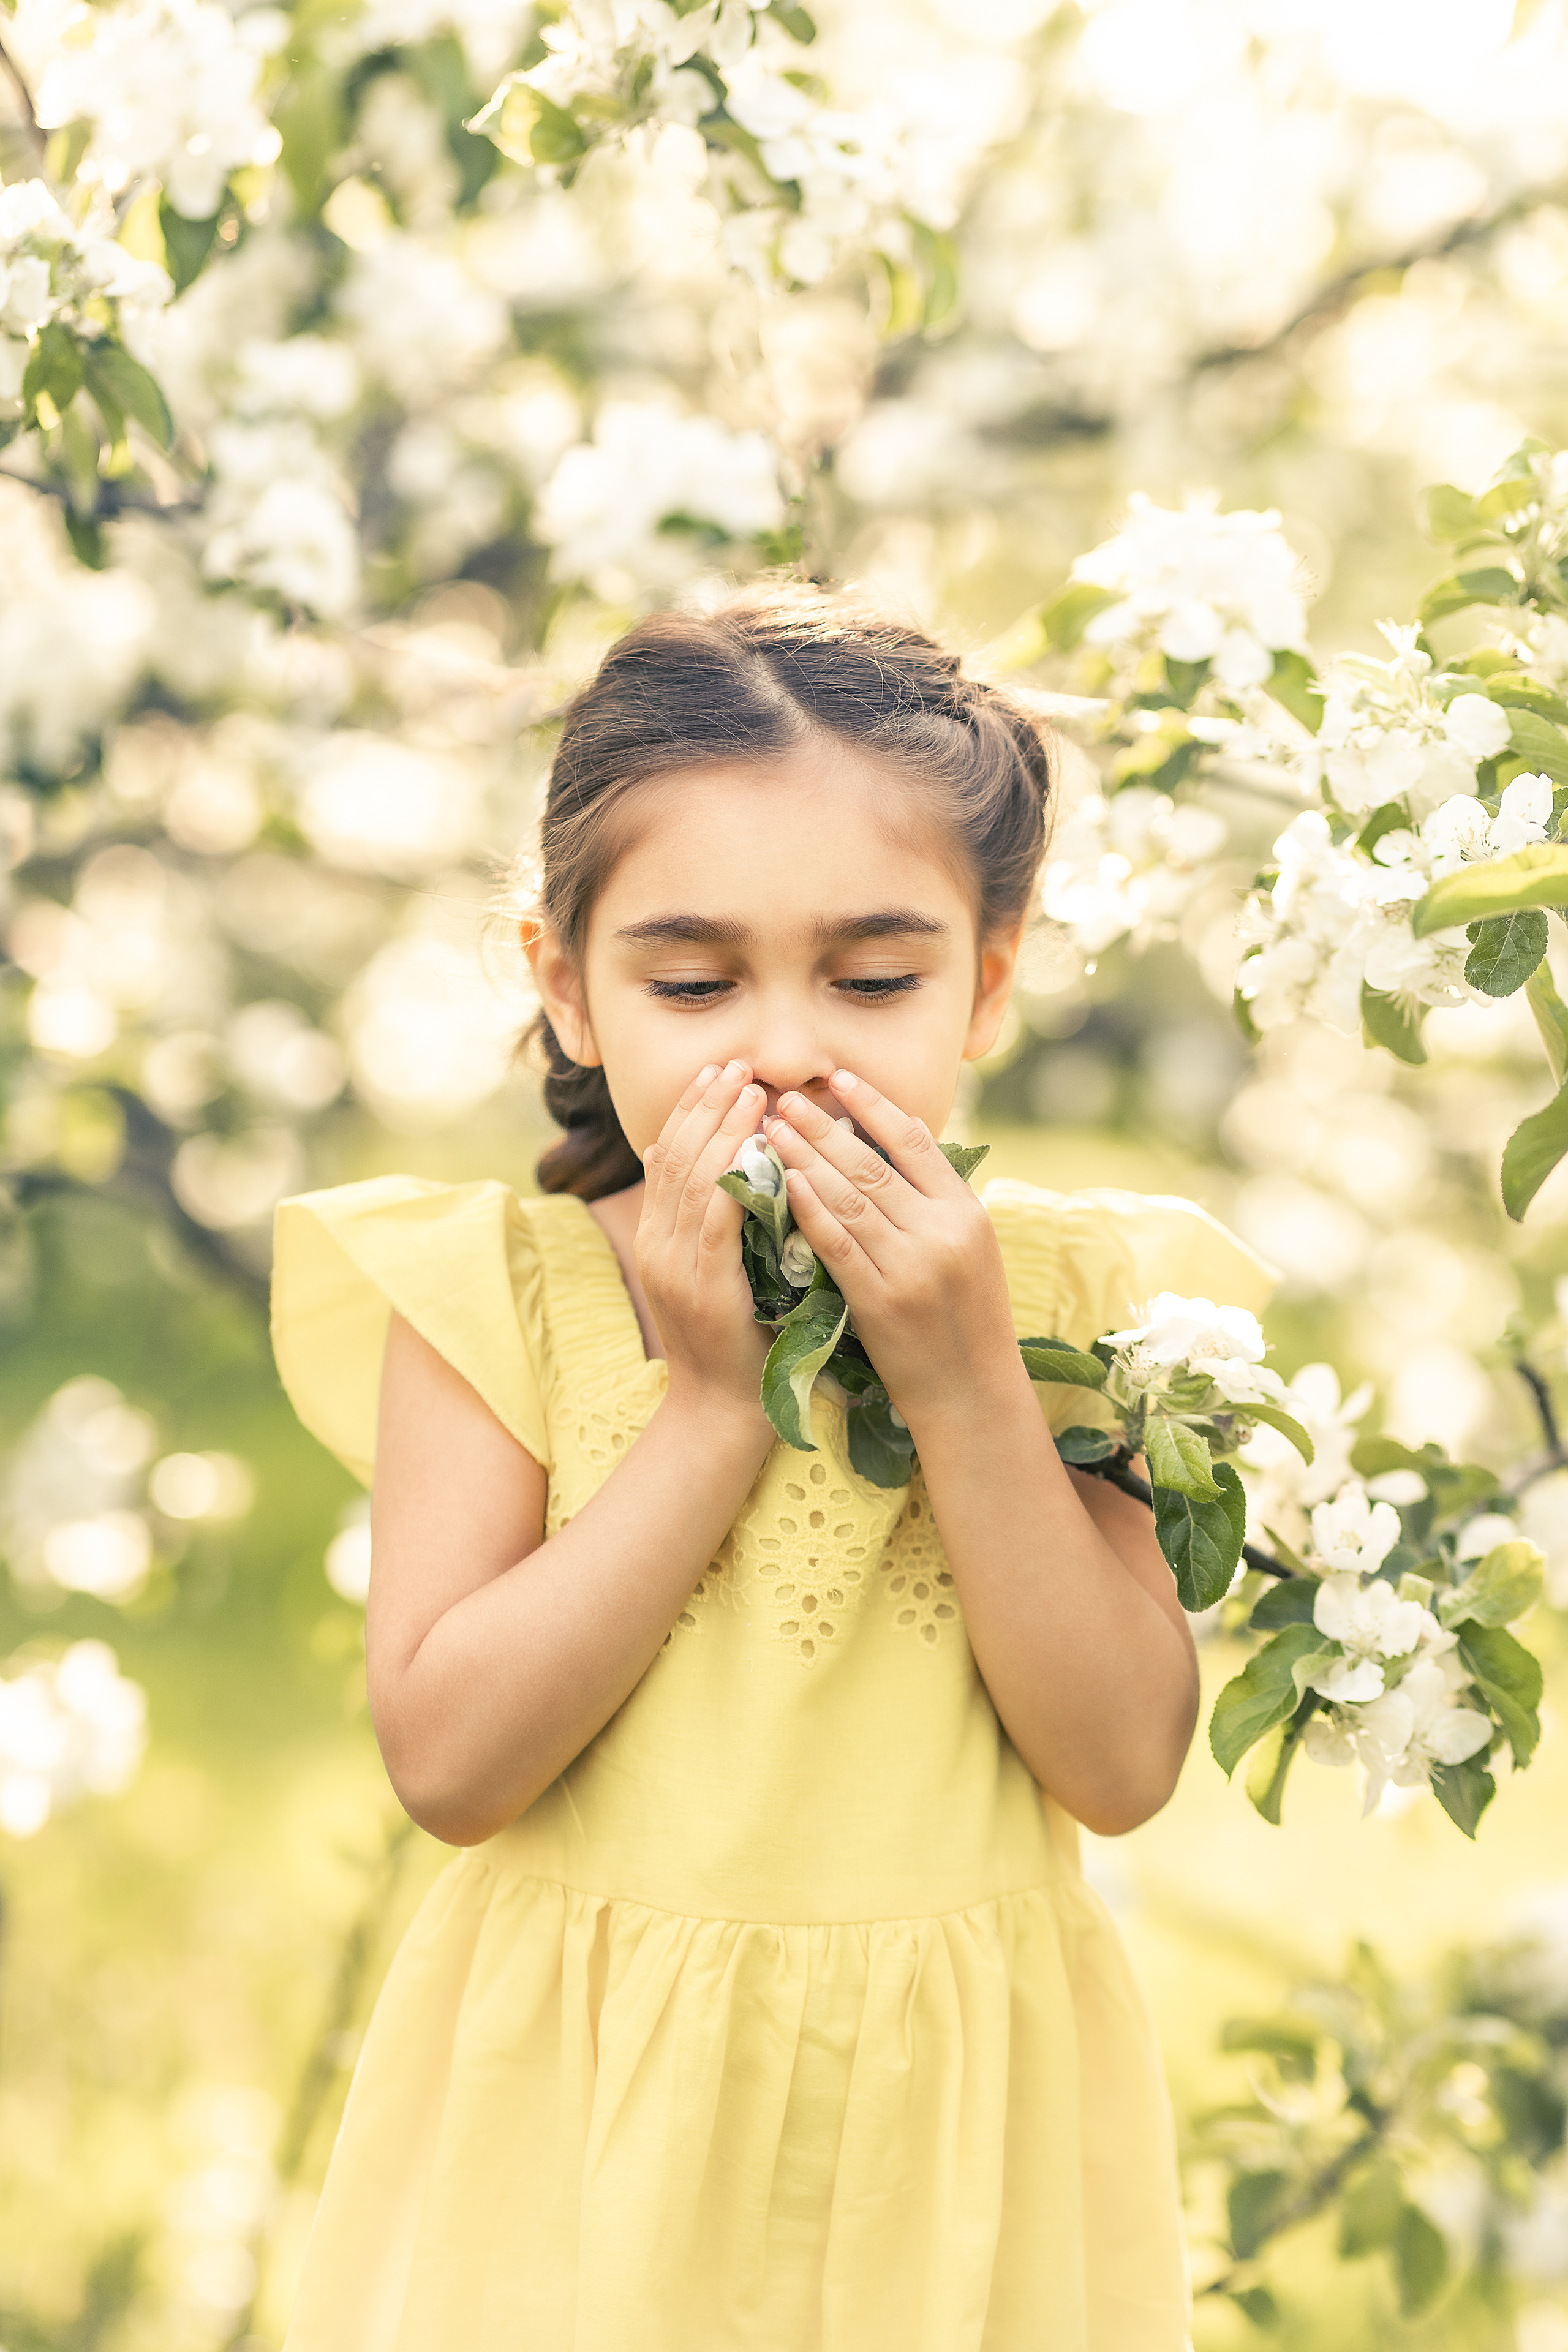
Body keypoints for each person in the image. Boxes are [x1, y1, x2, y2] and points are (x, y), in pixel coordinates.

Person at [270, 585, 1273, 2351]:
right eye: (693, 978)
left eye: (874, 978)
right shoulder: (495, 1300)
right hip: (591, 2136)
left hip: (948, 2133)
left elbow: (1120, 1764)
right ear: (568, 989)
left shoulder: (1078, 1308)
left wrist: (969, 1391)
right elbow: (451, 1762)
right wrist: (713, 1413)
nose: (790, 1046)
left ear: (990, 978)